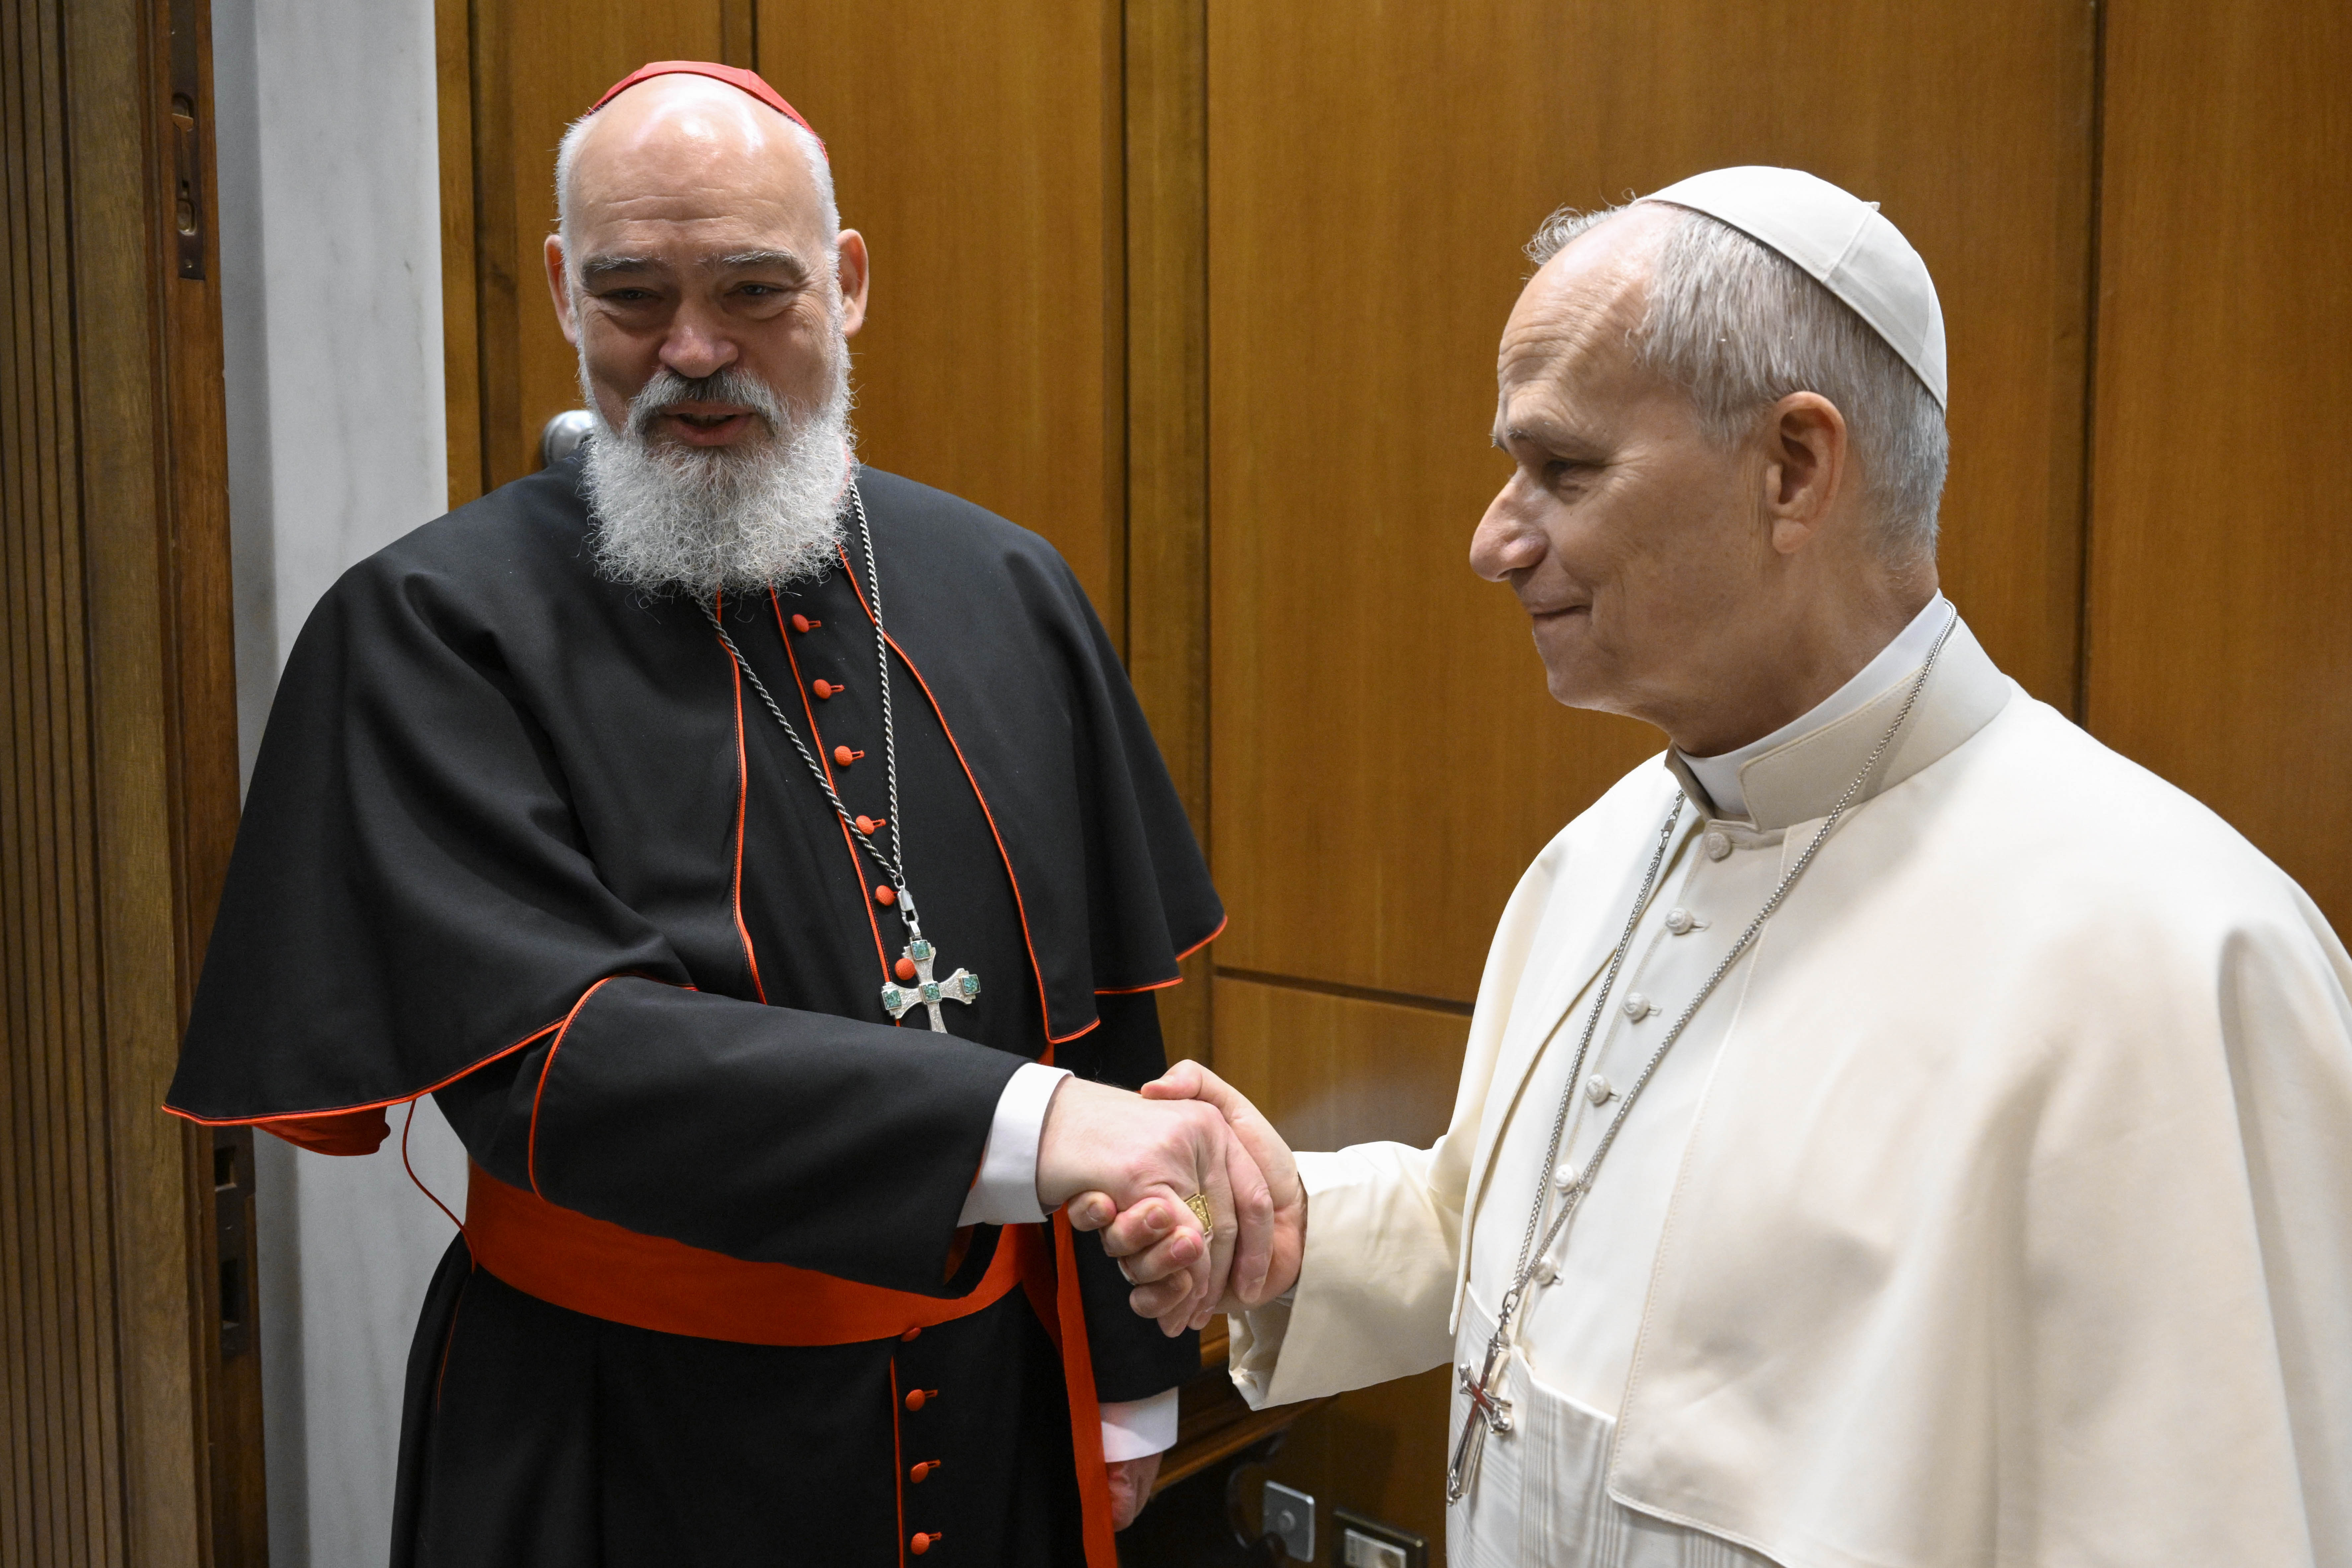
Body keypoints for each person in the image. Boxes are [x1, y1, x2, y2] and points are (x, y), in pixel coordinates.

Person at [1098, 167, 2352, 1566]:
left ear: (1793, 469)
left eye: (1564, 470)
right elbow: (1532, 1246)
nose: (1494, 540)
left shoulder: (2174, 956)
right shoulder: (1599, 854)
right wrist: (1293, 1235)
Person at [166, 61, 1276, 1568]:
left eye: (755, 291)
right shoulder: (428, 626)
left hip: (997, 1404)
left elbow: (1106, 1010)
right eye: (633, 296)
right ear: (561, 292)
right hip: (619, 1438)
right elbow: (559, 1060)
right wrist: (1029, 1123)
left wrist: (1132, 1386)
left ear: (848, 282)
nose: (694, 351)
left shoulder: (1006, 586)